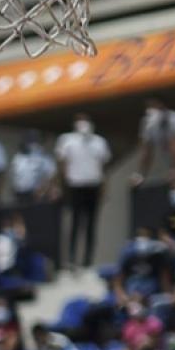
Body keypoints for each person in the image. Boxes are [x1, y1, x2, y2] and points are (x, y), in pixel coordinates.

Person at [55, 112, 111, 269]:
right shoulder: (67, 140)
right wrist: (62, 186)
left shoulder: (99, 142)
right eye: (80, 121)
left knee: (91, 225)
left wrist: (104, 189)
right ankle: (72, 258)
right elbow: (62, 164)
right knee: (75, 223)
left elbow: (103, 167)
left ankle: (88, 259)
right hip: (75, 186)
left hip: (93, 186)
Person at [112, 227, 175, 301]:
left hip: (151, 298)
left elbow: (164, 281)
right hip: (130, 296)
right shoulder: (127, 253)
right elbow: (118, 281)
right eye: (141, 236)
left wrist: (169, 297)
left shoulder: (159, 256)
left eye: (146, 236)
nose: (143, 240)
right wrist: (122, 297)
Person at [11, 130, 57, 204]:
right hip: (19, 194)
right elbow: (15, 176)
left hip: (36, 195)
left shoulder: (44, 158)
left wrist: (42, 190)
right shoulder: (18, 157)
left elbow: (51, 175)